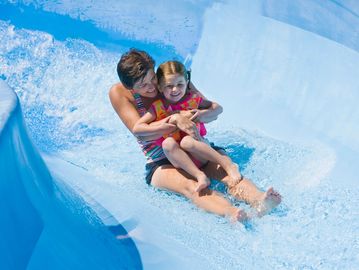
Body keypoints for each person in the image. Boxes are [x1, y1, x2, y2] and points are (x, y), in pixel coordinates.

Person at [109, 48, 281, 222]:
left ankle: (260, 200)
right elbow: (141, 134)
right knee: (191, 186)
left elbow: (212, 111)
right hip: (161, 160)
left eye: (152, 79)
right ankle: (232, 213)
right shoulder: (119, 93)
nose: (152, 87)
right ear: (130, 88)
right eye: (143, 86)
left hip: (193, 145)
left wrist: (195, 115)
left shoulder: (170, 79)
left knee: (228, 175)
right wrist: (174, 119)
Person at [133, 60, 242, 193]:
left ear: (187, 83)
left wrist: (202, 113)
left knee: (187, 141)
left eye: (180, 84)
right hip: (181, 160)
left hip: (198, 151)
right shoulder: (157, 107)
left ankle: (227, 164)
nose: (175, 89)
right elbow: (137, 128)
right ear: (160, 87)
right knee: (167, 143)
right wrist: (169, 120)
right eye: (169, 86)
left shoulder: (193, 100)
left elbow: (218, 109)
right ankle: (200, 176)